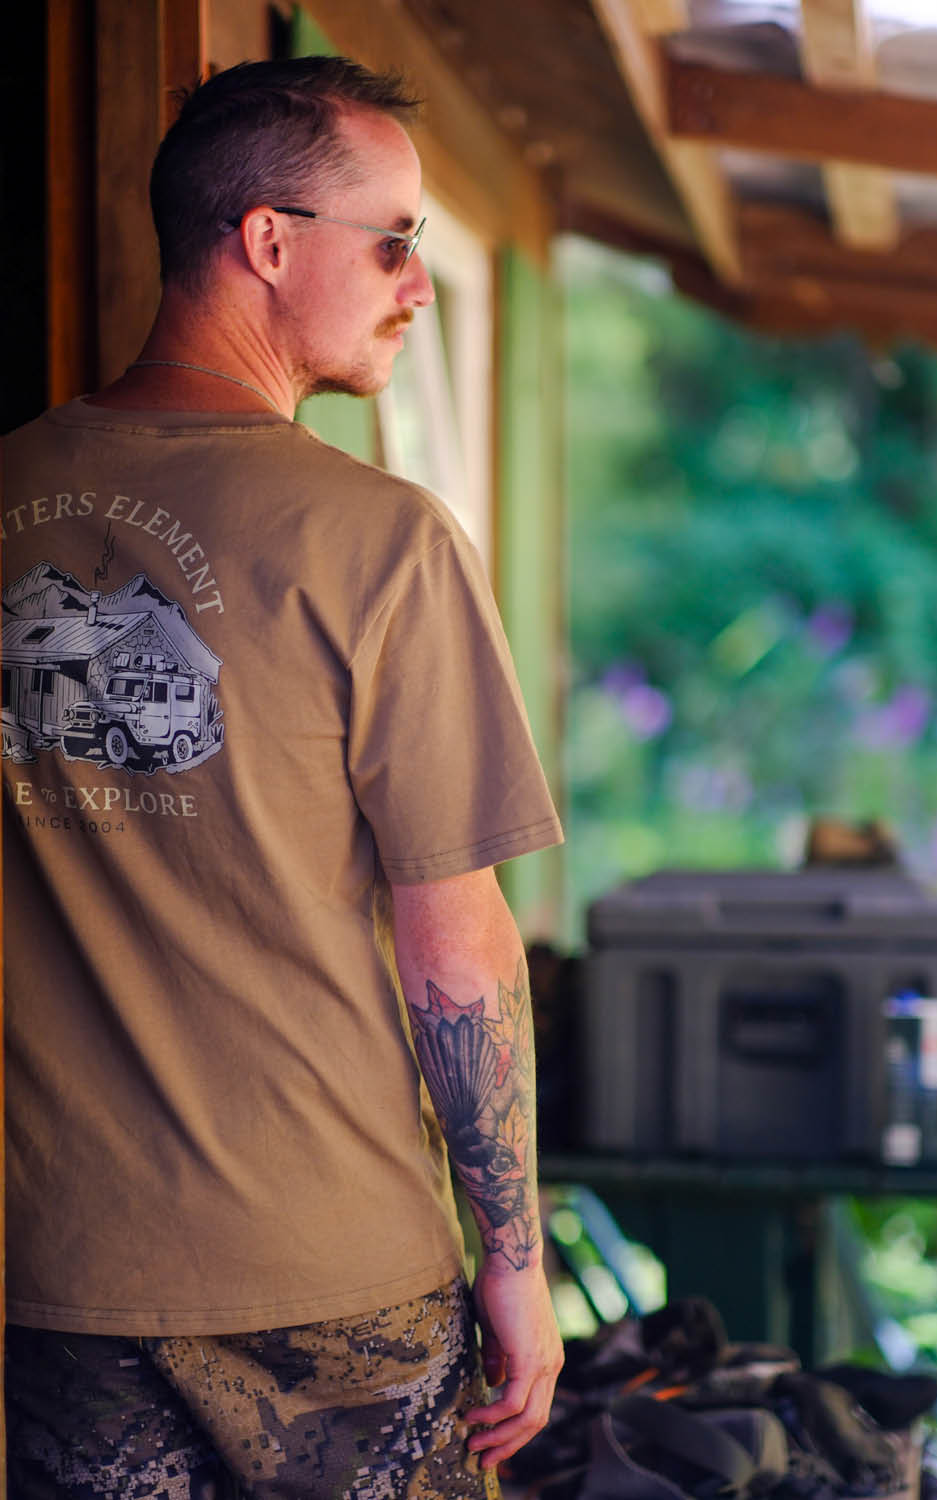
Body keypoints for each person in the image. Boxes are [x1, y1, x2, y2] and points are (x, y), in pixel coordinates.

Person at [3, 55, 564, 1498]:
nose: (417, 285)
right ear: (267, 240)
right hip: (335, 1290)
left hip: (54, 1283)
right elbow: (459, 950)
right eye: (394, 240)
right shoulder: (382, 541)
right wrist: (518, 1264)